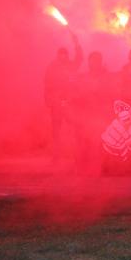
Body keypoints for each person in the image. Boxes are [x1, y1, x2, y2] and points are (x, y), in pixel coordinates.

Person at [44, 32, 83, 165]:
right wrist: (49, 101)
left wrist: (77, 44)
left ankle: (75, 155)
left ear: (67, 56)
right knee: (56, 131)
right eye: (61, 54)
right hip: (56, 104)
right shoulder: (52, 68)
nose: (63, 56)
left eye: (65, 54)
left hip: (69, 103)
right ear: (58, 55)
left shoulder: (71, 66)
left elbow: (79, 58)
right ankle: (56, 156)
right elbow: (47, 85)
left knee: (73, 129)